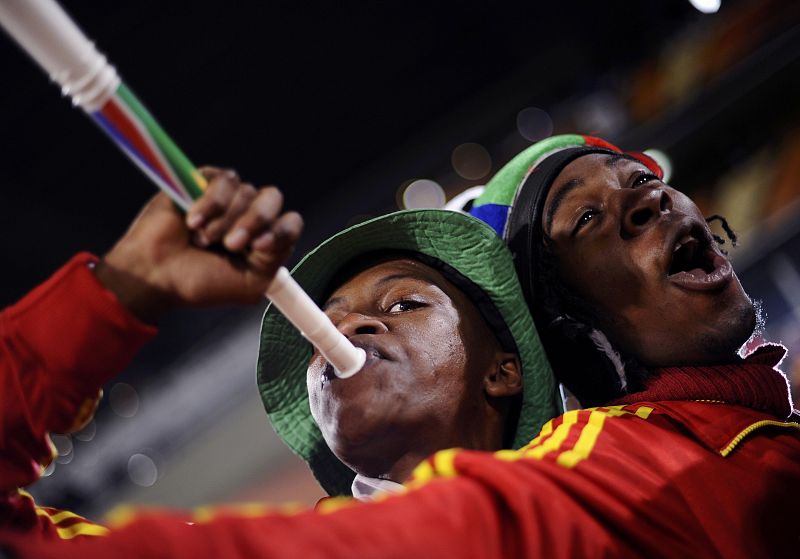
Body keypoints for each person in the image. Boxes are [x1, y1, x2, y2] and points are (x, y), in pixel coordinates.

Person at [0, 168, 564, 556]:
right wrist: (121, 292)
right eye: (328, 320)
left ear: (502, 370)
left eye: (403, 304)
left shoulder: (600, 494)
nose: (346, 327)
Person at [467, 133, 800, 556]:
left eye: (640, 178)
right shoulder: (603, 467)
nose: (651, 199)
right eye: (586, 218)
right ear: (562, 326)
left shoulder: (749, 421)